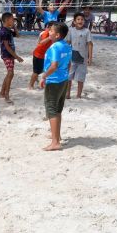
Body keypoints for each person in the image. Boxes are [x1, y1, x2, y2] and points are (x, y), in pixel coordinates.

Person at [39, 22, 72, 151]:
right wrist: (65, 75)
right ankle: (56, 136)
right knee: (57, 109)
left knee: (51, 109)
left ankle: (55, 142)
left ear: (57, 35)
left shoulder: (55, 47)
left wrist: (44, 76)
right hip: (63, 80)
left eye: (51, 31)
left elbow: (53, 66)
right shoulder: (67, 46)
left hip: (53, 81)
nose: (49, 31)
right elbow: (69, 64)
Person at [66, 12, 94, 100]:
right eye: (78, 19)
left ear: (84, 21)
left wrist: (90, 58)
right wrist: (65, 56)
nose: (80, 21)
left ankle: (78, 95)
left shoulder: (87, 31)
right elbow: (68, 43)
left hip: (83, 58)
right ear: (74, 21)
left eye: (82, 19)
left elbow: (90, 44)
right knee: (68, 77)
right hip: (72, 57)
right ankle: (68, 94)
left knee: (81, 78)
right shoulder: (71, 30)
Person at [0, 12, 23, 104]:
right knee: (10, 73)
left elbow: (18, 35)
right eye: (12, 19)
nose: (14, 20)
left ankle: (2, 92)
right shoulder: (4, 31)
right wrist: (16, 56)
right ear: (7, 20)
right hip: (7, 55)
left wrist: (14, 27)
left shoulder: (8, 30)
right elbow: (7, 47)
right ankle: (6, 95)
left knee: (10, 74)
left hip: (10, 55)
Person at [28, 24, 52, 90]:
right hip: (39, 55)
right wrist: (50, 37)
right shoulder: (46, 33)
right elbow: (41, 42)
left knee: (41, 70)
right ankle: (30, 85)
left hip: (43, 55)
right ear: (49, 28)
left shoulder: (50, 34)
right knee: (36, 72)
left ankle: (38, 81)